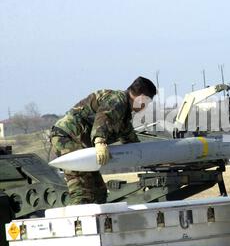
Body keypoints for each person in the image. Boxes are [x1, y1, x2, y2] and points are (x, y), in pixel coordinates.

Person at [50, 76, 157, 205]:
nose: (146, 107)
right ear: (141, 98)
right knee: (82, 191)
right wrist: (100, 141)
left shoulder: (123, 115)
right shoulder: (117, 100)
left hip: (79, 142)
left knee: (99, 192)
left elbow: (130, 140)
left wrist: (151, 159)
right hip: (68, 138)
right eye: (147, 102)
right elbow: (103, 118)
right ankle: (76, 222)